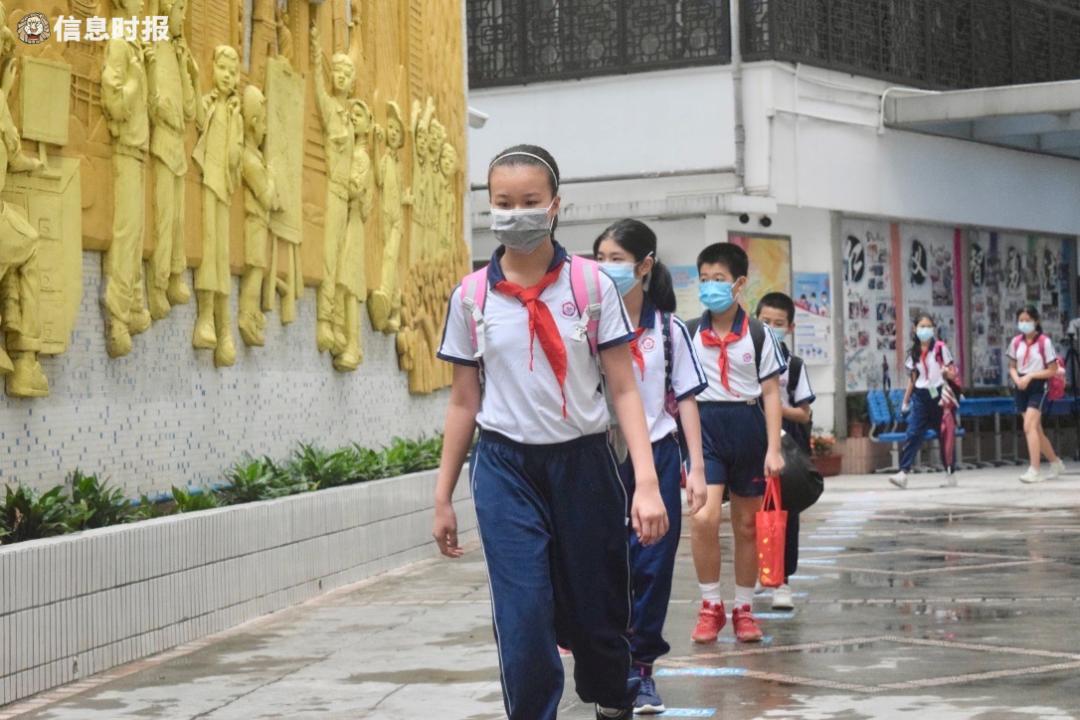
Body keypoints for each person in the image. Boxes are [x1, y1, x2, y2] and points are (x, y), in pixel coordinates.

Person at [431, 144, 669, 720]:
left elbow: (623, 388)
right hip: (506, 469)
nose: (517, 214)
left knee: (598, 614)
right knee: (523, 614)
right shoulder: (471, 296)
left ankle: (613, 699)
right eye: (504, 203)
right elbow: (465, 400)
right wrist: (442, 496)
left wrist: (646, 482)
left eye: (530, 202)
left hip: (584, 464)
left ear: (555, 205)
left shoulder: (591, 286)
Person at [594, 219, 708, 714]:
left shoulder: (668, 330)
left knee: (652, 568)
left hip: (658, 457)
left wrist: (696, 469)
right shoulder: (585, 324)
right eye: (599, 258)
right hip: (597, 457)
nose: (605, 269)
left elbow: (685, 402)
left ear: (644, 266)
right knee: (600, 565)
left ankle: (640, 671)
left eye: (616, 259)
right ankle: (606, 661)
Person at [688, 243, 786, 645]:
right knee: (703, 518)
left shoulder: (760, 335)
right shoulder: (690, 332)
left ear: (739, 284)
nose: (711, 287)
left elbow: (771, 394)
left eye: (719, 280)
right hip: (705, 426)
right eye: (705, 280)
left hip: (748, 427)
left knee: (746, 525)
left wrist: (773, 449)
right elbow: (683, 392)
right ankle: (710, 605)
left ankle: (744, 608)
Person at [756, 292, 814, 610]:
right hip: (753, 442)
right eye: (765, 322)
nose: (771, 328)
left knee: (785, 515)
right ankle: (761, 574)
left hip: (785, 448)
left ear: (789, 327)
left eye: (778, 323)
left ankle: (783, 582)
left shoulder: (793, 366)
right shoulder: (745, 360)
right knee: (753, 512)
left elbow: (804, 413)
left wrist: (774, 407)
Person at [889, 313, 958, 489]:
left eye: (928, 327)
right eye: (922, 326)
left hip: (939, 397)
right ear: (915, 329)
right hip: (921, 396)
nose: (925, 330)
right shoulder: (914, 352)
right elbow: (913, 379)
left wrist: (946, 373)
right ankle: (903, 472)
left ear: (933, 329)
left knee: (944, 435)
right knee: (913, 433)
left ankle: (950, 472)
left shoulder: (941, 348)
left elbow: (952, 372)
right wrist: (905, 401)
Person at [1009, 306, 1066, 484]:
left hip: (1038, 385)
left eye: (1028, 320)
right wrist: (1017, 378)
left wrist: (1031, 375)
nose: (1024, 324)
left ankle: (1035, 469)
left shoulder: (1044, 342)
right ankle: (1055, 462)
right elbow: (1012, 365)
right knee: (1036, 431)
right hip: (1021, 385)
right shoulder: (1016, 342)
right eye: (1021, 320)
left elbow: (1052, 369)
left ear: (1036, 321)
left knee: (1028, 426)